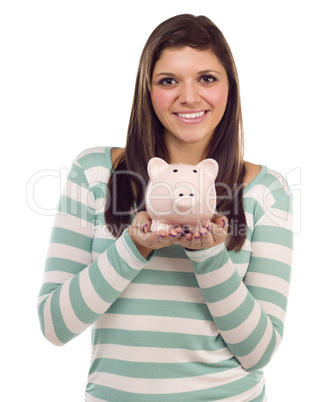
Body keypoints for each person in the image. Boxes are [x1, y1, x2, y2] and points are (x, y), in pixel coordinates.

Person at [37, 14, 293, 402]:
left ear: (230, 88)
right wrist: (134, 247)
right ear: (147, 90)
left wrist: (209, 254)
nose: (189, 97)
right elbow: (54, 325)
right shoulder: (95, 173)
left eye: (207, 78)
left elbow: (258, 351)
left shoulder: (265, 191)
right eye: (168, 80)